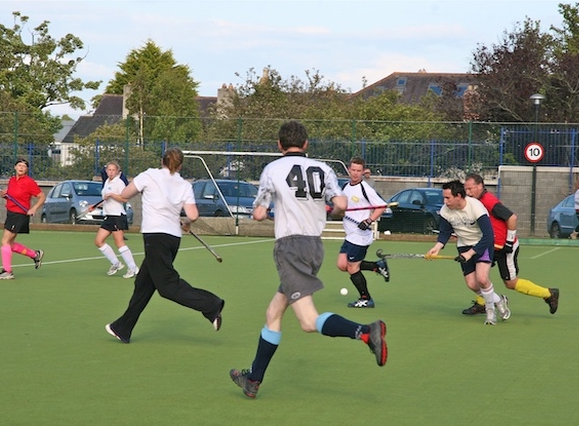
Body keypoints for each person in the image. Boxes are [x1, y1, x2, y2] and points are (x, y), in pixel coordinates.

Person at [229, 121, 387, 399]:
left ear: (279, 145)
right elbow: (340, 205)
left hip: (290, 247)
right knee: (273, 313)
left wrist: (266, 212)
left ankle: (365, 332)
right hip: (315, 247)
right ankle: (253, 380)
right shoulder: (323, 169)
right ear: (305, 145)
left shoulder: (272, 170)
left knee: (307, 320)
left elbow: (257, 213)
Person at [105, 147, 225, 344]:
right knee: (143, 284)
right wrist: (186, 223)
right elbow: (193, 215)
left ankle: (212, 305)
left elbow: (125, 194)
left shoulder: (149, 175)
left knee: (167, 286)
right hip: (172, 239)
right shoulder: (184, 185)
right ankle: (123, 327)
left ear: (162, 161)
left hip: (155, 237)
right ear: (180, 166)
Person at [463, 174, 559, 315]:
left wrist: (508, 242)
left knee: (510, 283)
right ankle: (483, 302)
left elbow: (512, 218)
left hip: (504, 247)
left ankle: (549, 294)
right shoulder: (474, 202)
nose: (468, 193)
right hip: (490, 245)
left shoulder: (489, 201)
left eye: (470, 189)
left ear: (480, 186)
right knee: (479, 275)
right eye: (466, 189)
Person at [425, 180, 510, 325]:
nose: (445, 201)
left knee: (482, 279)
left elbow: (488, 236)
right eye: (444, 198)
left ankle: (490, 313)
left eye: (448, 198)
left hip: (482, 244)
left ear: (458, 196)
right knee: (472, 284)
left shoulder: (476, 207)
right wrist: (437, 247)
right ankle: (498, 300)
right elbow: (445, 232)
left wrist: (471, 253)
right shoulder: (446, 210)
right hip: (463, 245)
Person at [337, 157, 389, 308]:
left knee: (352, 268)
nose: (355, 173)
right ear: (349, 169)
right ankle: (377, 266)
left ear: (363, 171)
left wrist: (368, 220)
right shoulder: (346, 187)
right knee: (342, 265)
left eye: (358, 171)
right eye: (353, 170)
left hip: (360, 237)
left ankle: (365, 298)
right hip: (350, 234)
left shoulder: (365, 189)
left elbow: (381, 206)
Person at [0, 158, 45, 280]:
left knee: (4, 242)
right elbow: (12, 197)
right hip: (11, 213)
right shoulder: (11, 180)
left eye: (24, 166)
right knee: (9, 244)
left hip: (20, 214)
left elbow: (42, 196)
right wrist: (4, 196)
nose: (21, 167)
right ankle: (35, 254)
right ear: (15, 167)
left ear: (26, 169)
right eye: (19, 165)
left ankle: (7, 271)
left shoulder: (29, 182)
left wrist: (34, 208)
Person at [91, 161, 138, 278]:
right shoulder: (107, 182)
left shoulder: (119, 183)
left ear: (117, 171)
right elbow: (107, 201)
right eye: (109, 170)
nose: (111, 172)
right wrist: (95, 206)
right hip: (108, 216)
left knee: (119, 243)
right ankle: (116, 263)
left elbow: (124, 198)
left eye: (113, 170)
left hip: (117, 216)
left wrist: (112, 195)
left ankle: (133, 268)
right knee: (98, 241)